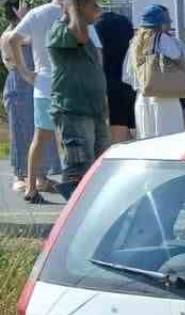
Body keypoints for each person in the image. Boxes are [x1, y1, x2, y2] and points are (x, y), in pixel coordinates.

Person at [6, 0, 65, 203]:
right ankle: (24, 178)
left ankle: (35, 183)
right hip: (54, 84)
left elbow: (18, 39)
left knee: (40, 137)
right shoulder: (74, 11)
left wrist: (25, 72)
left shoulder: (36, 15)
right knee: (61, 138)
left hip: (40, 84)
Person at [47, 0, 107, 200]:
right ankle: (74, 223)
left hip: (94, 112)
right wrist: (71, 6)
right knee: (78, 173)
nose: (98, 11)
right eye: (93, 6)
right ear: (79, 7)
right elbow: (79, 35)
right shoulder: (59, 30)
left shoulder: (87, 33)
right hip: (73, 112)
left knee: (100, 170)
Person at [124, 3, 185, 139]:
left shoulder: (135, 42)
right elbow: (179, 54)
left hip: (142, 98)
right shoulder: (163, 39)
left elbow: (129, 75)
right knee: (169, 140)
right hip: (164, 98)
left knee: (147, 139)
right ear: (162, 23)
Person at [94, 5, 133, 143]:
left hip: (108, 87)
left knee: (117, 141)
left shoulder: (97, 28)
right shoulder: (125, 24)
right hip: (128, 85)